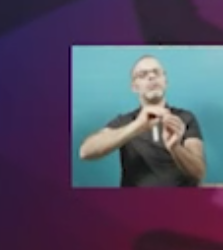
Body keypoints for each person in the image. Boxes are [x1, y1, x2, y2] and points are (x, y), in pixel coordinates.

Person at [79, 54, 207, 187]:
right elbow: (85, 152)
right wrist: (138, 126)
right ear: (134, 87)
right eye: (142, 75)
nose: (151, 77)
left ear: (165, 81)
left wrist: (175, 148)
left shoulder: (185, 118)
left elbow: (199, 172)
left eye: (156, 72)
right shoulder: (125, 121)